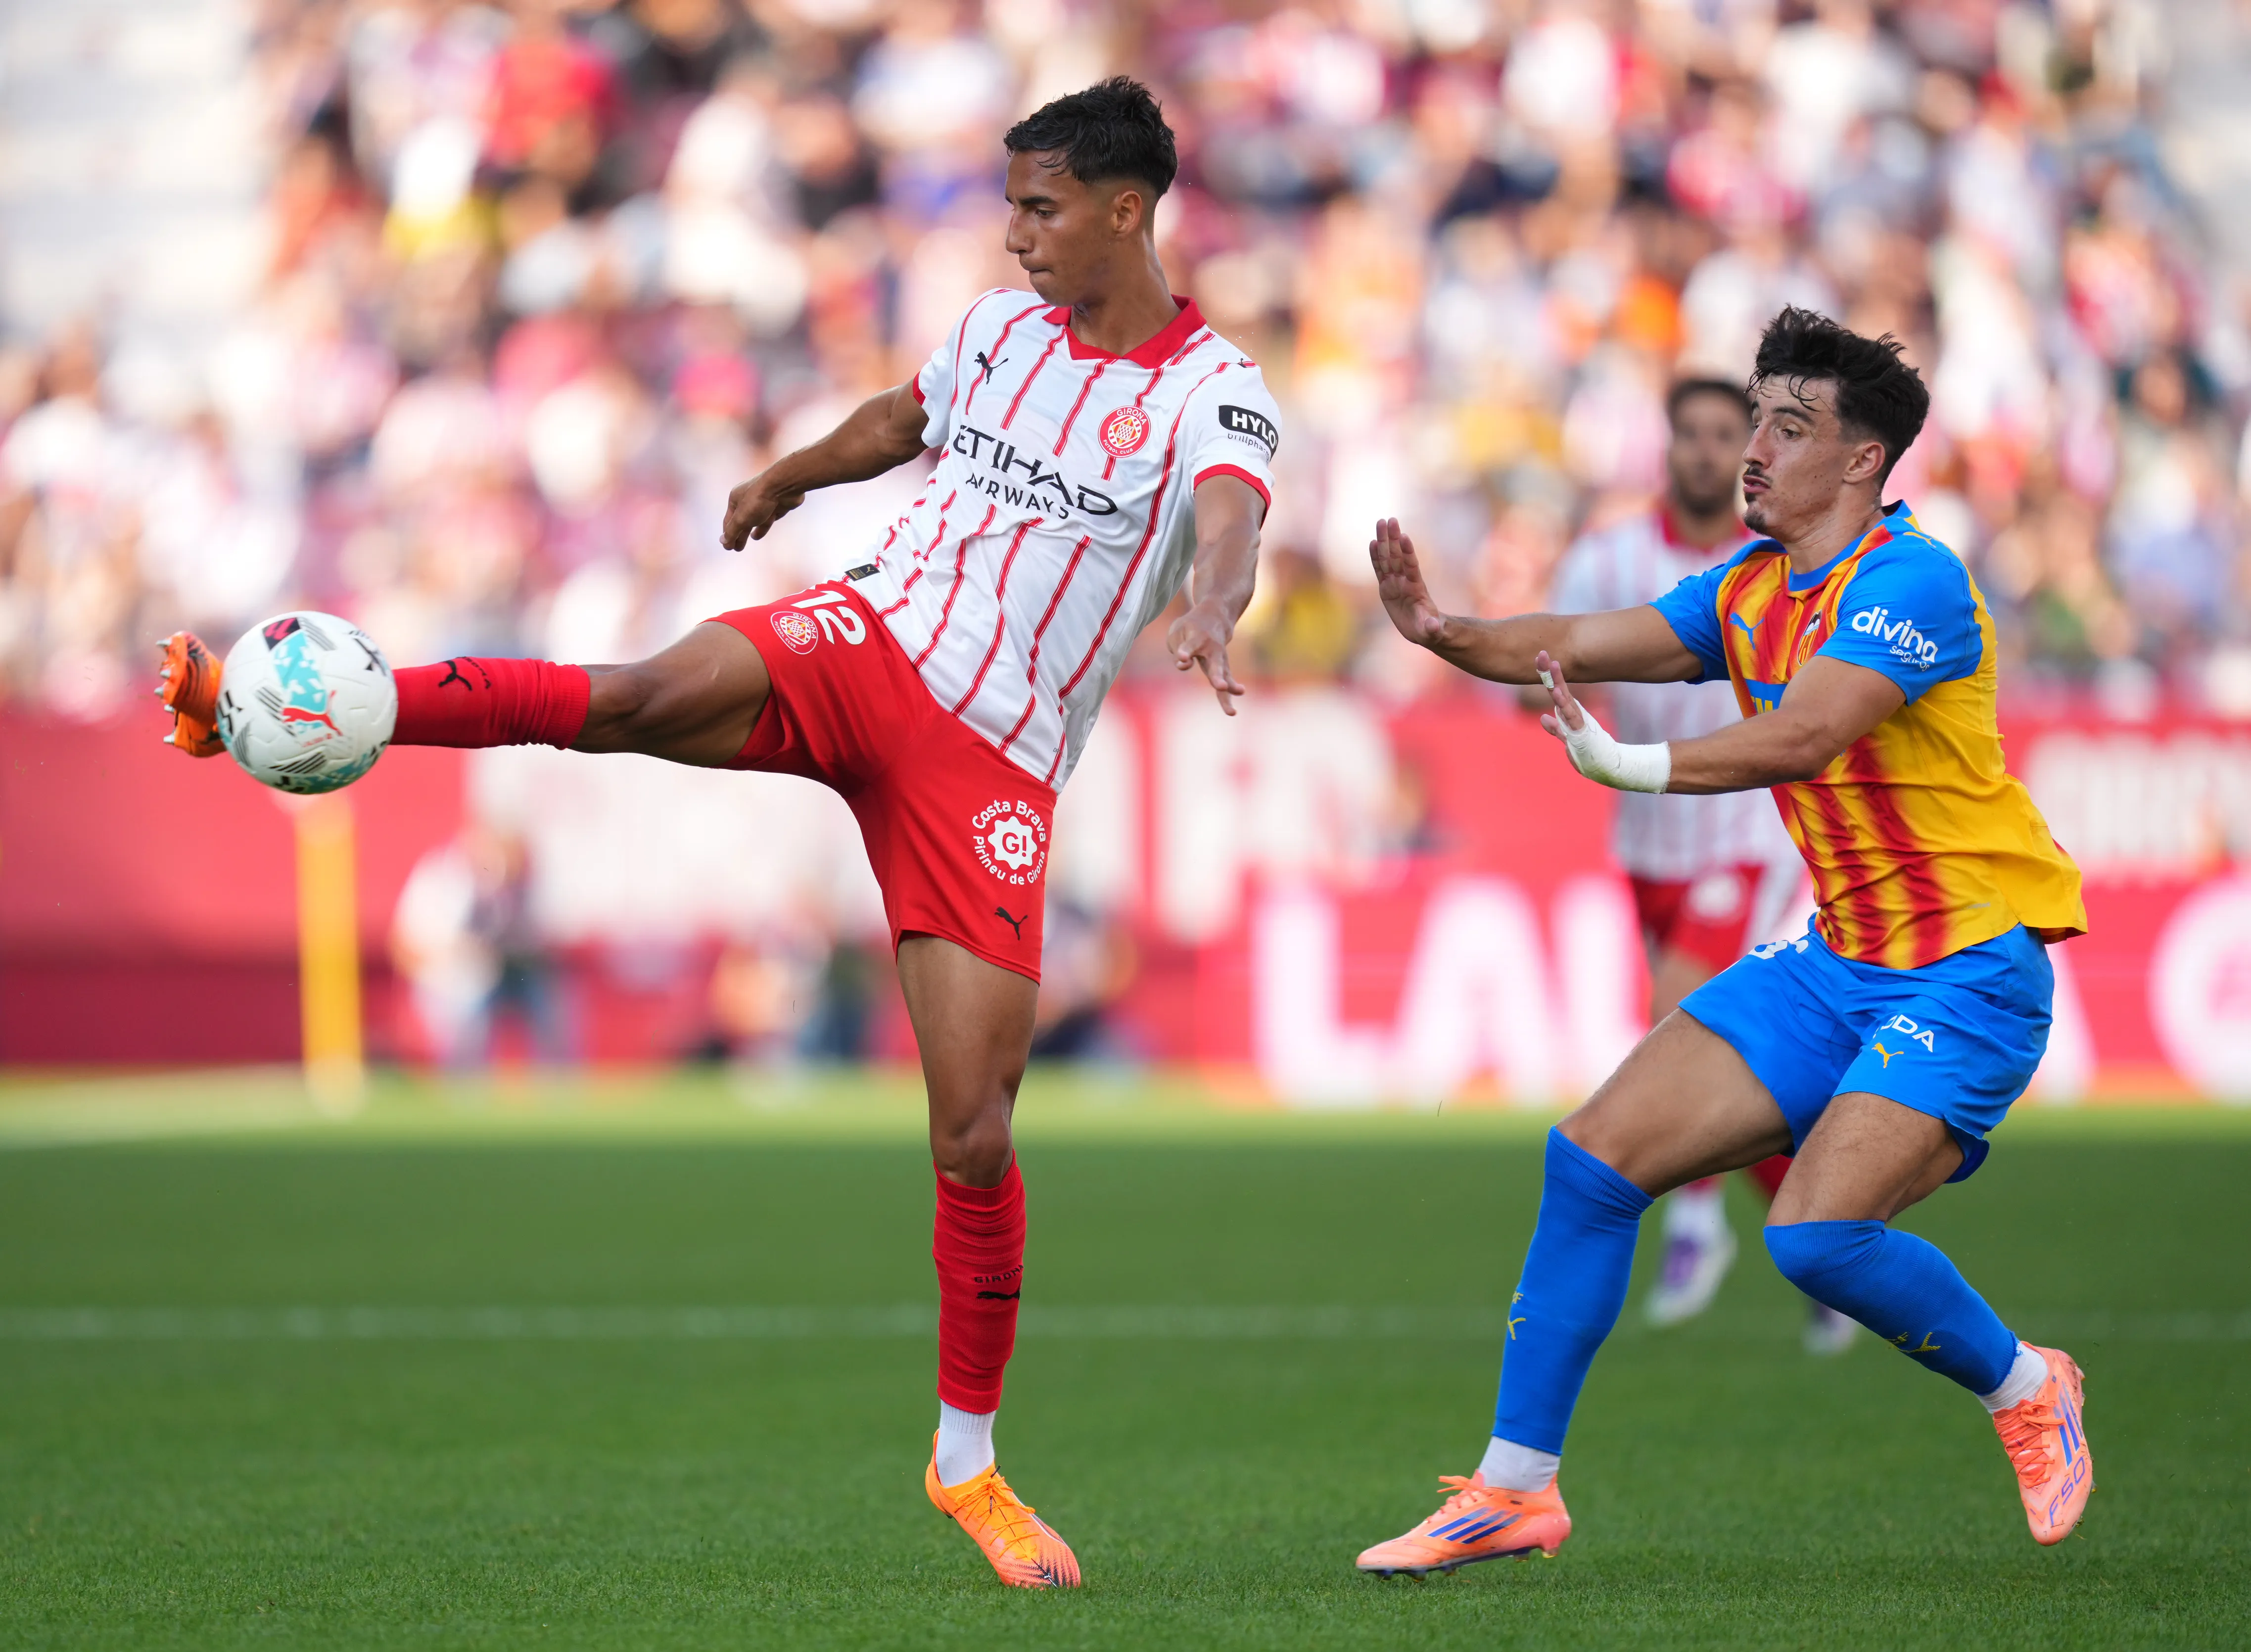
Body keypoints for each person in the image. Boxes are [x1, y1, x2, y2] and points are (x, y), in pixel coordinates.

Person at [156, 78, 1279, 1592]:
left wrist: (1211, 606)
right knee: (627, 693)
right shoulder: (997, 332)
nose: (1012, 236)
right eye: (1009, 204)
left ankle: (967, 1463)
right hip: (865, 636)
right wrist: (786, 474)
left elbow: (1228, 518)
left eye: (1040, 209)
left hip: (995, 762)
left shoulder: (1218, 386)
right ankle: (273, 706)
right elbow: (902, 419)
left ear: (1126, 211)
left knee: (971, 1130)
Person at [1355, 308, 2091, 1576]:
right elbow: (1576, 641)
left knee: (1811, 1237)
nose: (1754, 448)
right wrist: (1440, 630)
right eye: (1755, 418)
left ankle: (2027, 1384)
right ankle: (1514, 1491)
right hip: (1839, 960)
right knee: (1590, 1161)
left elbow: (1806, 735)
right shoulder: (1747, 590)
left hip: (1968, 967)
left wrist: (1626, 763)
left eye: (1789, 427)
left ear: (1862, 462)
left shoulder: (1913, 581)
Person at [1539, 378, 1849, 1351]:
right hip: (1649, 842)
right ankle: (1826, 1225)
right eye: (1695, 434)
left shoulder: (1774, 564)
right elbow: (1558, 664)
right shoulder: (1609, 556)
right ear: (1668, 446)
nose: (1712, 452)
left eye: (1730, 434)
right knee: (1735, 1068)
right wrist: (1549, 698)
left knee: (1676, 1014)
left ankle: (1691, 1227)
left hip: (1744, 837)